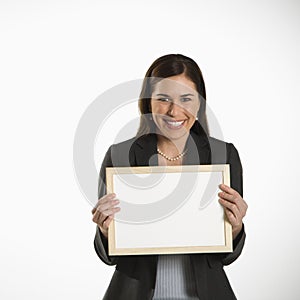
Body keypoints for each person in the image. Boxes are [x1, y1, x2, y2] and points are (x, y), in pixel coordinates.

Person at [91, 54, 248, 300]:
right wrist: (105, 231)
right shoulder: (120, 156)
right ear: (148, 103)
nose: (174, 111)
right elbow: (108, 256)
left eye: (186, 99)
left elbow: (226, 256)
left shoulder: (224, 156)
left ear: (200, 103)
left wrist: (236, 227)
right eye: (163, 99)